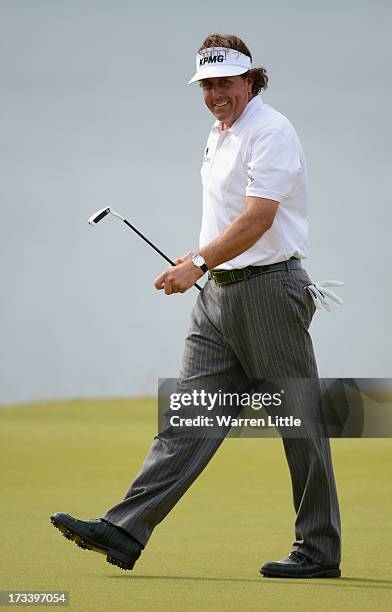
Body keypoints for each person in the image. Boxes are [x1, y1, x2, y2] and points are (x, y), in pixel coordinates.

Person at [51, 33, 342, 579]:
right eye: (206, 85)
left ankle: (319, 549)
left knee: (299, 423)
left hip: (270, 291)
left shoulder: (271, 131)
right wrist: (200, 259)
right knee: (189, 412)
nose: (215, 94)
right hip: (220, 296)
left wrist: (199, 264)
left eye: (225, 83)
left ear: (252, 79)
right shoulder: (219, 132)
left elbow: (260, 218)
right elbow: (230, 217)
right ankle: (126, 527)